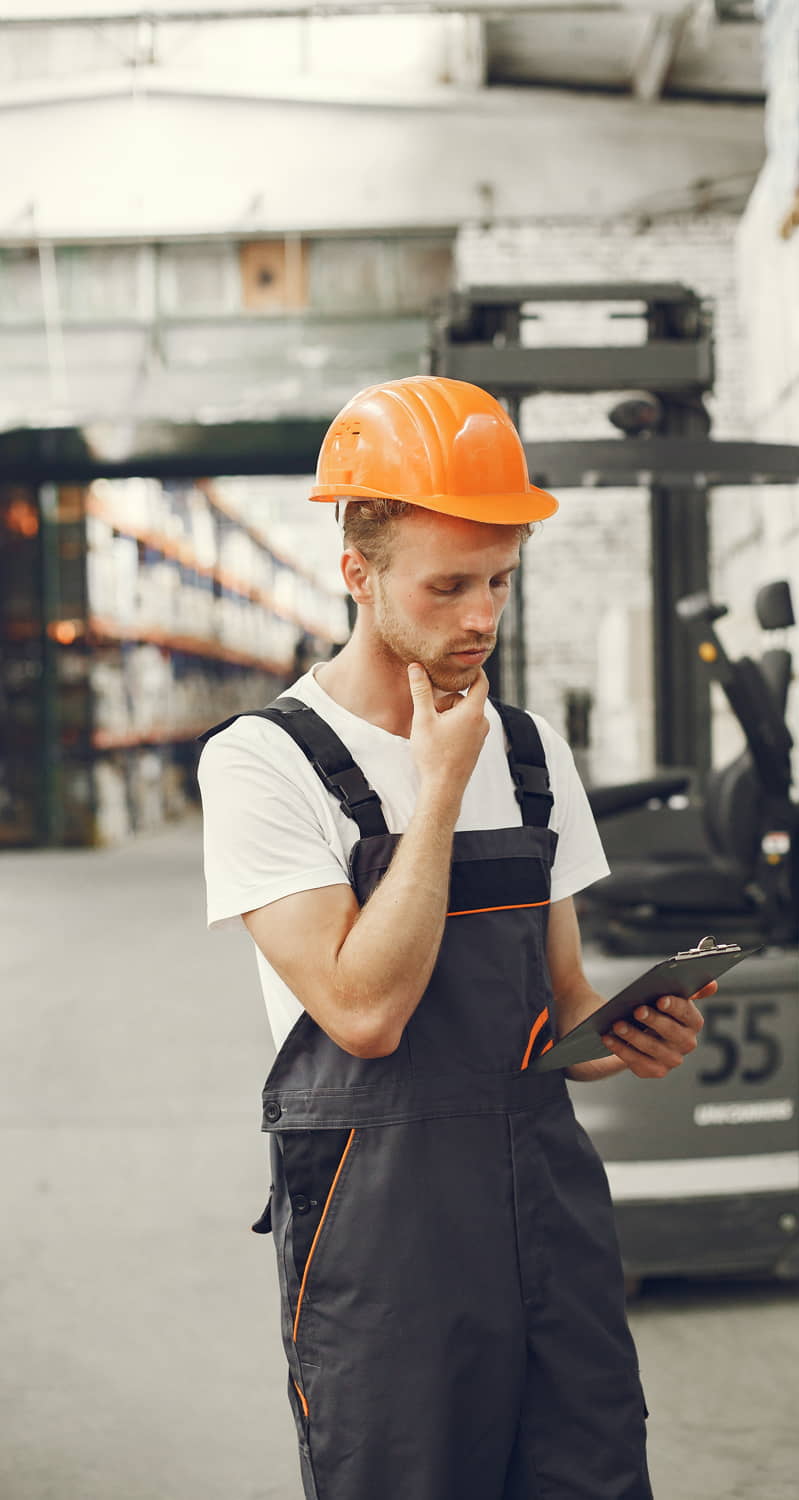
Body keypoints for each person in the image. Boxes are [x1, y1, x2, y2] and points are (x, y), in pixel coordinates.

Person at [197, 375, 713, 1500]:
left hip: (547, 1207)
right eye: (446, 586)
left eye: (498, 583)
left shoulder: (530, 752)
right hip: (384, 1228)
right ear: (357, 573)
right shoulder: (263, 763)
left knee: (591, 1474)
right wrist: (435, 792)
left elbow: (561, 990)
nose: (480, 617)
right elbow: (362, 1013)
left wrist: (628, 1024)